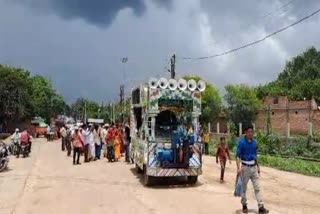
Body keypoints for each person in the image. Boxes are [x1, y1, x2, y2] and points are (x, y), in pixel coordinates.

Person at [236, 125, 269, 214]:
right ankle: (244, 205)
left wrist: (258, 166)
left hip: (253, 168)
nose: (251, 133)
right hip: (245, 168)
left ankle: (261, 207)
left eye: (252, 132)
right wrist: (238, 168)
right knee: (243, 188)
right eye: (249, 132)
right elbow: (238, 156)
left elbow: (255, 156)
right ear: (245, 133)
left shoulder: (254, 143)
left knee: (257, 187)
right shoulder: (241, 143)